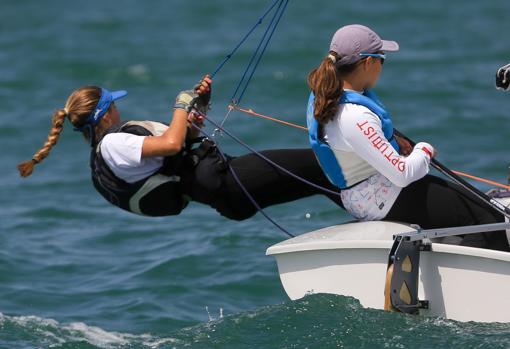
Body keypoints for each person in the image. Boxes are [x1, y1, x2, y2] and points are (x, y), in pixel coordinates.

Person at [17, 76, 342, 220]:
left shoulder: (117, 144)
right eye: (113, 104)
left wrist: (198, 106)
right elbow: (173, 144)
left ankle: (369, 218)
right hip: (230, 184)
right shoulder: (113, 144)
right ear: (105, 113)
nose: (118, 109)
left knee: (319, 178)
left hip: (227, 192)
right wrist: (180, 103)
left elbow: (182, 143)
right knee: (323, 163)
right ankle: (382, 216)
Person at [306, 24, 509, 251]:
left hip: (367, 194)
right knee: (487, 217)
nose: (382, 66)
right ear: (368, 63)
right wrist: (424, 149)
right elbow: (403, 174)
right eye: (382, 59)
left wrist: (392, 141)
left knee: (471, 203)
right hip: (382, 197)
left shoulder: (326, 96)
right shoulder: (355, 115)